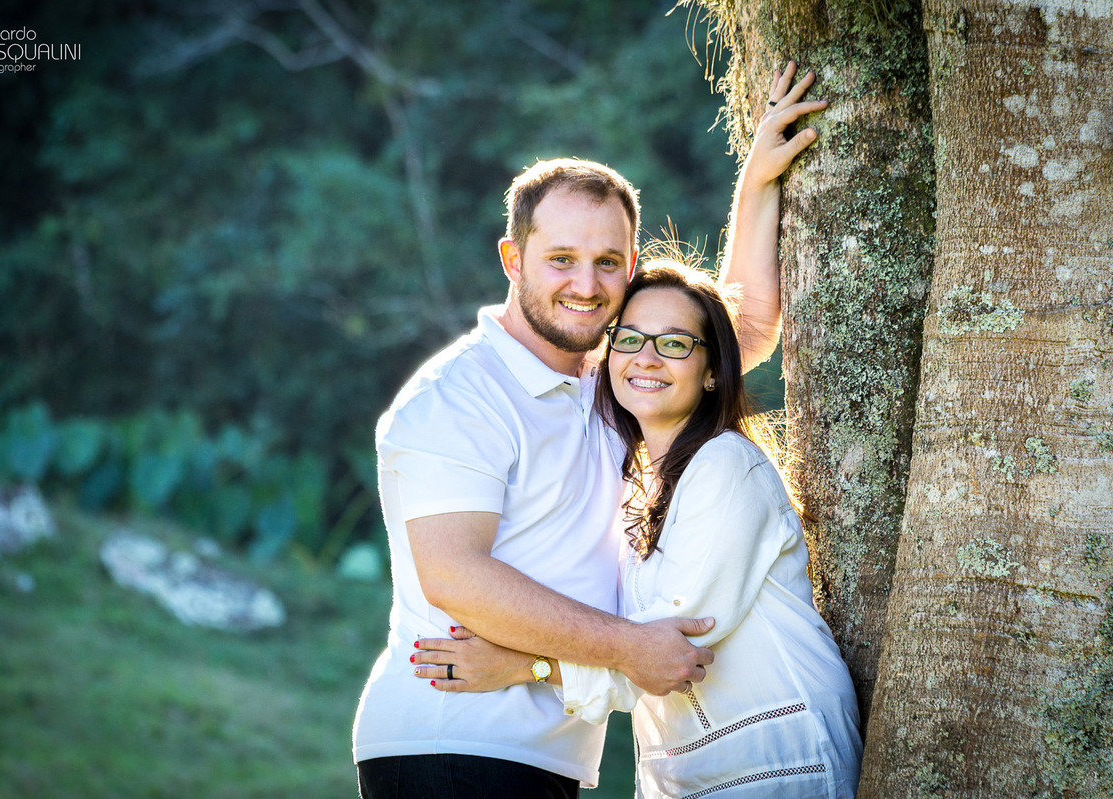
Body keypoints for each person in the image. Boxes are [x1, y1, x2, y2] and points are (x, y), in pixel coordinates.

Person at [355, 62, 827, 797]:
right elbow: (455, 576)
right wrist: (632, 646)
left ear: (631, 264)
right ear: (513, 259)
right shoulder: (458, 397)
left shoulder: (613, 380)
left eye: (608, 262)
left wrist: (758, 178)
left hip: (545, 750)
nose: (586, 283)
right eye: (562, 259)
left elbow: (740, 331)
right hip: (452, 735)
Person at [412, 258, 863, 797]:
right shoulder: (634, 486)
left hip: (782, 761)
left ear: (714, 369)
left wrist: (521, 667)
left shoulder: (727, 465)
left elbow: (669, 646)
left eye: (674, 344)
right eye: (629, 339)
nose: (646, 358)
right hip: (683, 775)